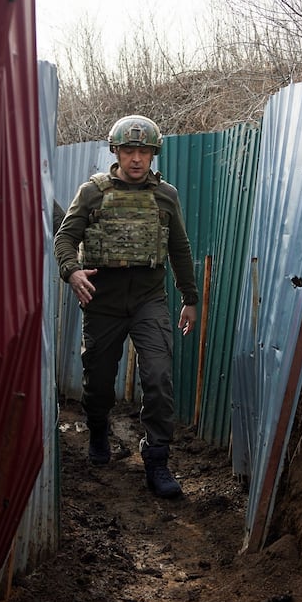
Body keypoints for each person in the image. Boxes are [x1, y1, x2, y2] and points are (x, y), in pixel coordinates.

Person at [54, 114, 198, 498]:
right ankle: (98, 427)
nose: (137, 158)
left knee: (158, 377)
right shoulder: (92, 193)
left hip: (149, 300)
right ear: (115, 152)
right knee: (99, 382)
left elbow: (179, 249)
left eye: (144, 151)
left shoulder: (166, 195)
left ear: (154, 154)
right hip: (102, 303)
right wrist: (72, 272)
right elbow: (65, 238)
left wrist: (190, 298)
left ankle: (157, 460)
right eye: (129, 150)